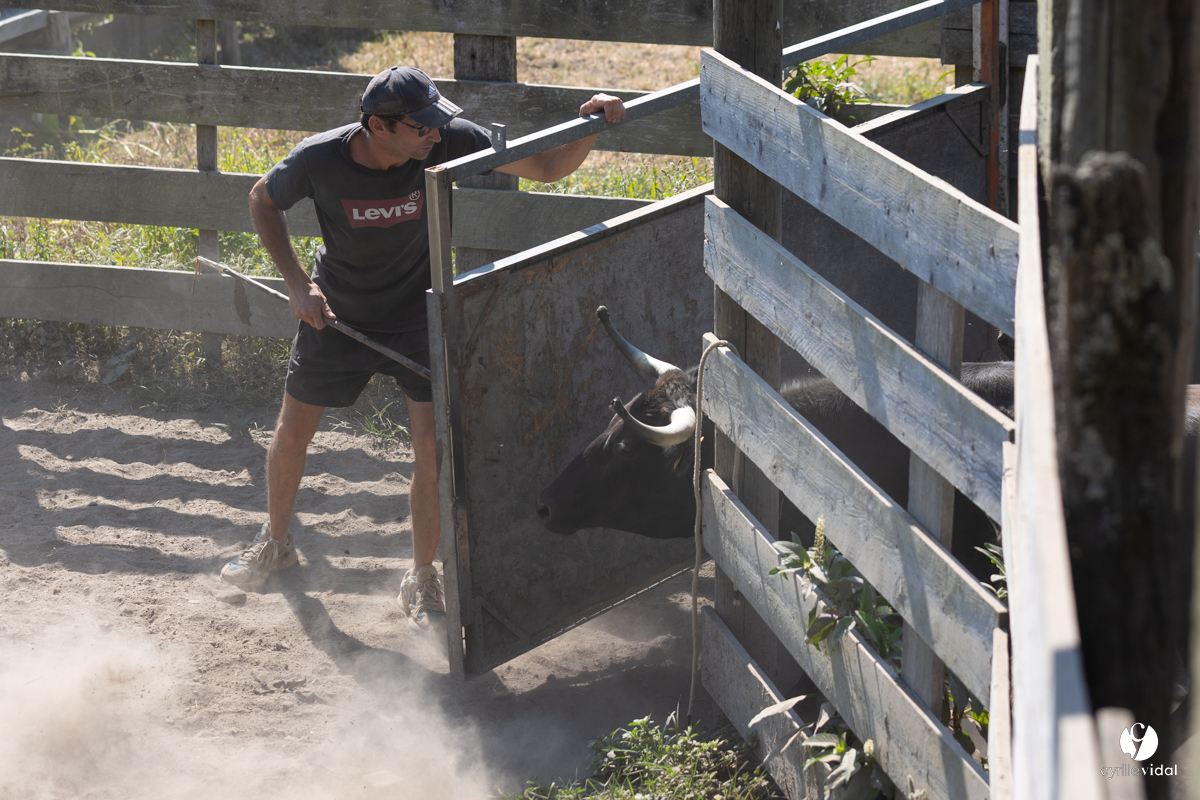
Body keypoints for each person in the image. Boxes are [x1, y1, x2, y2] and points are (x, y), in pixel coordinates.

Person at [220, 65, 627, 629]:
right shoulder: (319, 158)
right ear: (378, 126)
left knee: (431, 450)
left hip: (420, 315)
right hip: (336, 314)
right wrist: (297, 284)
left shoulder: (446, 141)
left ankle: (422, 575)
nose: (436, 134)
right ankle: (277, 542)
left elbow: (545, 167)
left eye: (439, 122)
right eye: (422, 127)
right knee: (292, 433)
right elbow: (262, 199)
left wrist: (590, 123)